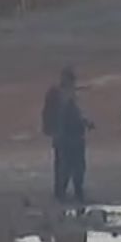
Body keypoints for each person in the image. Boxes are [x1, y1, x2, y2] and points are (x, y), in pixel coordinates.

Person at [42, 66, 94, 203]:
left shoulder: (68, 94)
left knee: (74, 166)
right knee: (66, 166)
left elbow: (77, 115)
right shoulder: (58, 94)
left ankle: (73, 192)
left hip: (72, 136)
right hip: (65, 137)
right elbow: (52, 115)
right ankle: (64, 192)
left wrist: (86, 123)